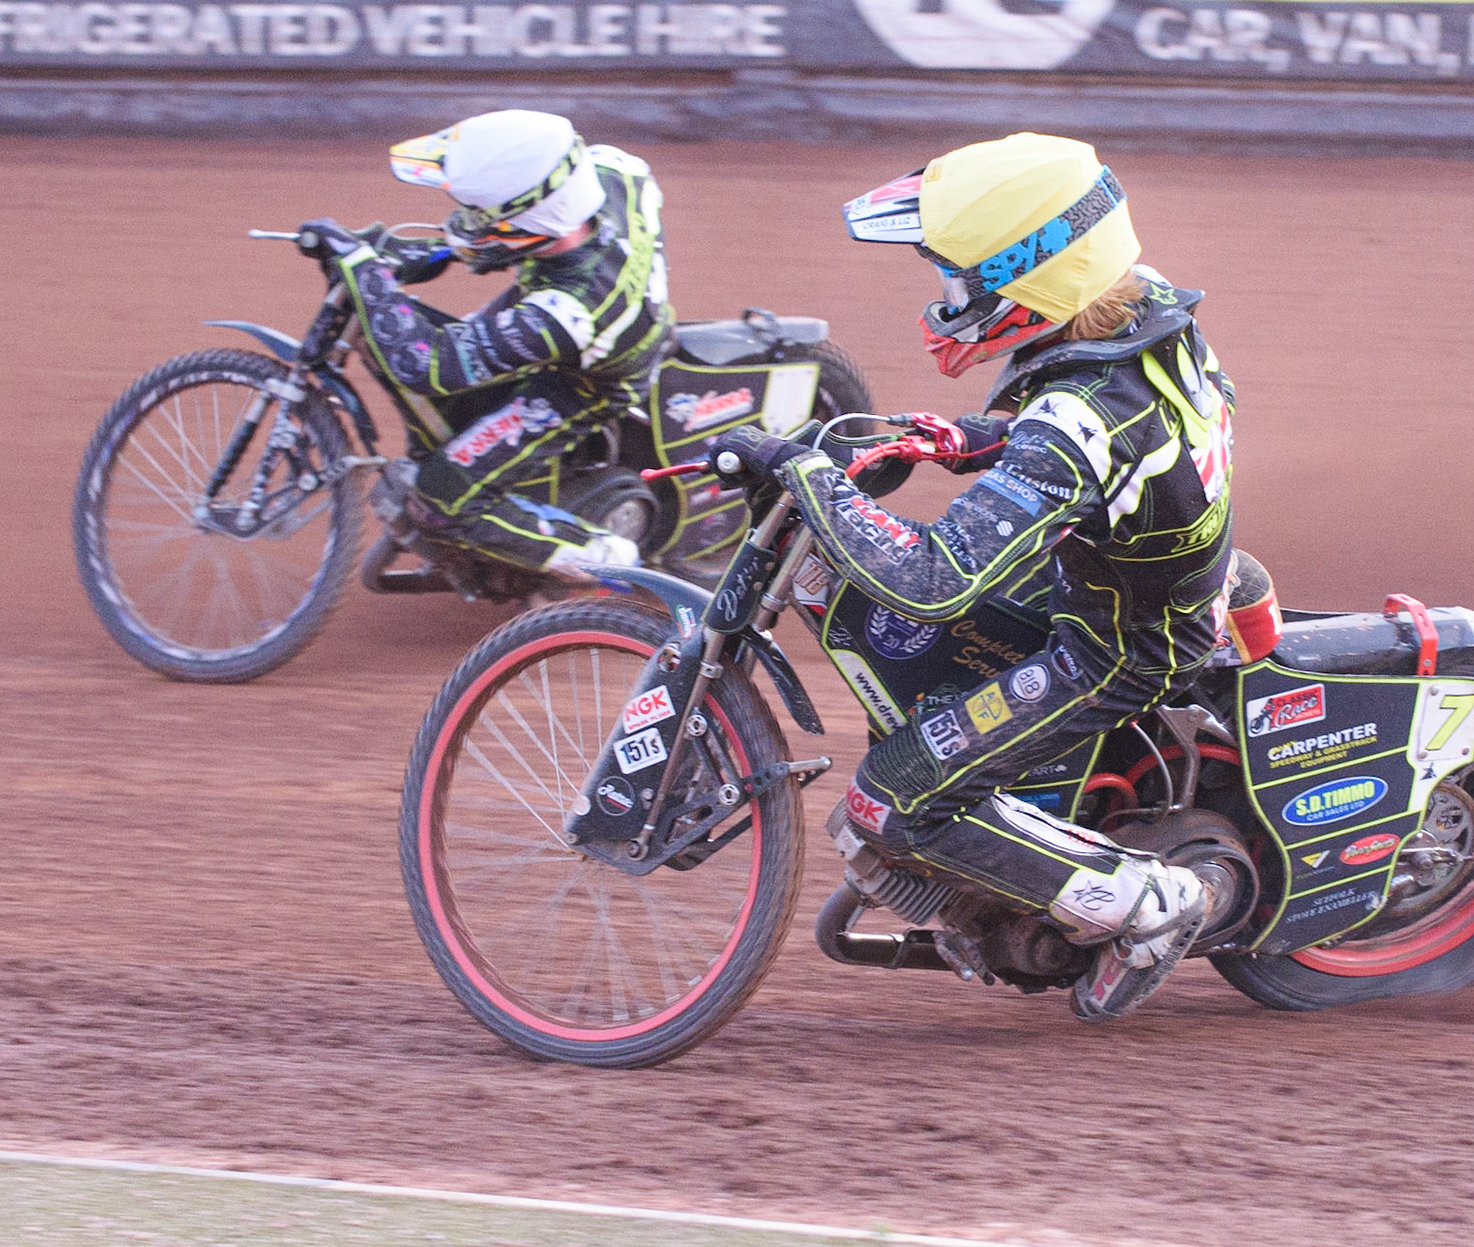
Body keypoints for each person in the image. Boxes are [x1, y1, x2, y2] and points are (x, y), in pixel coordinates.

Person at [711, 133, 1238, 1022]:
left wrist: (807, 475)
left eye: (962, 280)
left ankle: (1152, 904)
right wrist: (953, 438)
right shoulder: (1142, 313)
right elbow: (1087, 452)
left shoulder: (1079, 417)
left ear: (1029, 280)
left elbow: (932, 580)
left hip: (1114, 649)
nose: (949, 300)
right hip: (1127, 574)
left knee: (888, 799)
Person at [296, 108, 674, 580]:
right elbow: (524, 233)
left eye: (478, 214)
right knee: (465, 373)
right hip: (580, 302)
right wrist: (437, 253)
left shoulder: (567, 313)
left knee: (438, 500)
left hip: (584, 381)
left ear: (531, 222)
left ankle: (602, 556)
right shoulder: (610, 170)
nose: (464, 218)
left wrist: (366, 271)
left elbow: (428, 364)